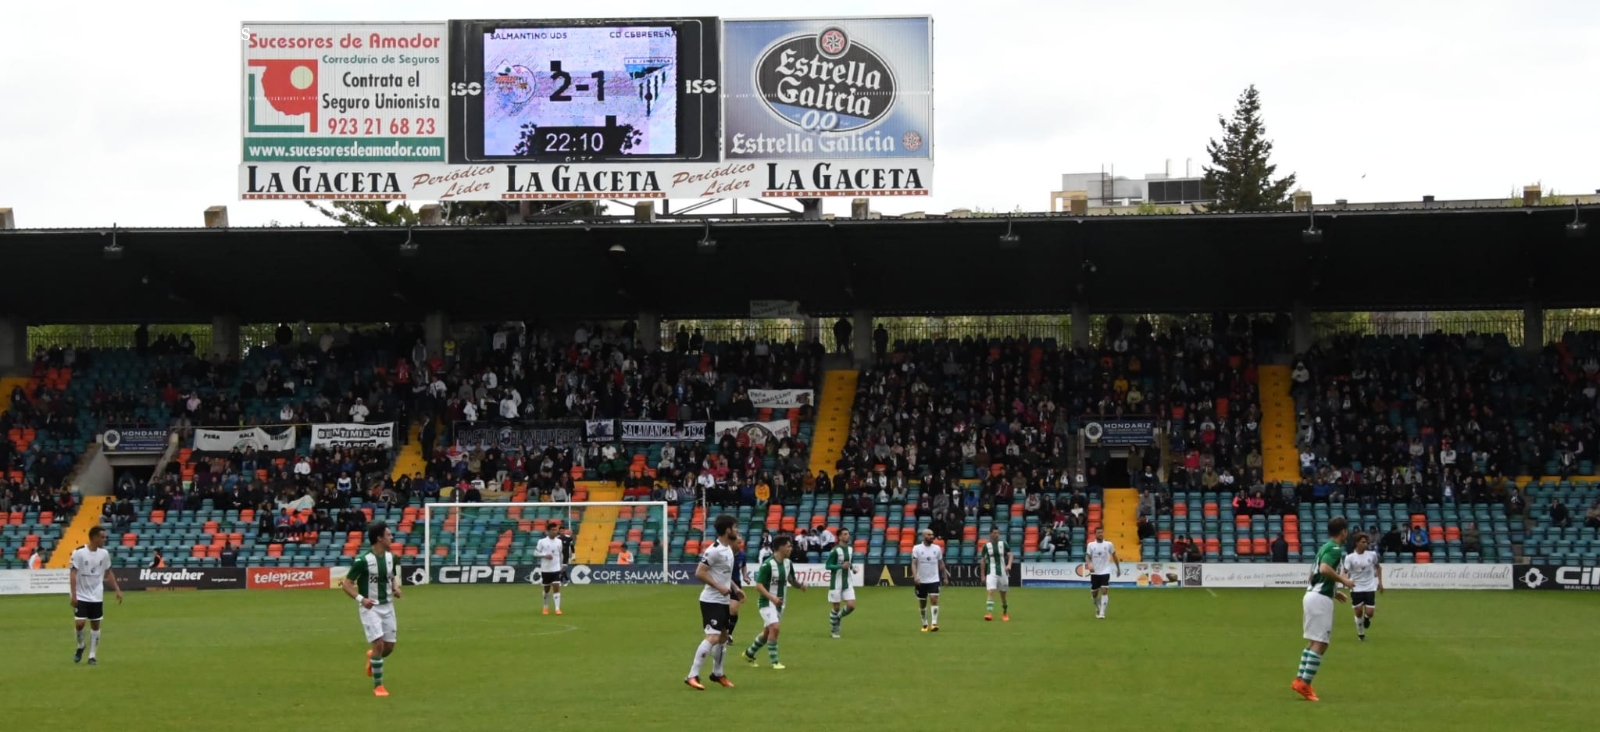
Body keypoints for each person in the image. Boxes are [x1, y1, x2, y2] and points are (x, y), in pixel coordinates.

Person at [1293, 517, 1355, 702]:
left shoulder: (1324, 547)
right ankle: (1305, 684)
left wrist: (1334, 591)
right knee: (1321, 643)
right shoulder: (1335, 549)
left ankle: (1299, 680)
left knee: (1314, 642)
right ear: (1343, 531)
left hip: (1312, 595)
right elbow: (1325, 568)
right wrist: (1344, 582)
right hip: (1319, 600)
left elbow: (1313, 575)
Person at [342, 521, 402, 697]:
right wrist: (362, 599)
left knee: (389, 647)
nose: (391, 537)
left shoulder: (392, 558)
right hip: (371, 608)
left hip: (388, 606)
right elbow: (346, 584)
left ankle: (373, 657)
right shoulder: (363, 561)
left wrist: (396, 588)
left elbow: (391, 577)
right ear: (379, 538)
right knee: (378, 643)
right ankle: (379, 686)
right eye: (388, 534)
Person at [685, 514, 739, 691]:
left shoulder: (728, 549)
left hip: (723, 600)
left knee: (723, 638)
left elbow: (723, 574)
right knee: (713, 637)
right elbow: (700, 572)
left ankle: (717, 673)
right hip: (711, 600)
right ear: (727, 530)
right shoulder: (713, 550)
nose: (737, 531)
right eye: (735, 527)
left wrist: (734, 587)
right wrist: (718, 587)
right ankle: (692, 675)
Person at [743, 535, 805, 669]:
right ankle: (775, 662)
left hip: (780, 604)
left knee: (767, 633)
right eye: (789, 546)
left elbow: (791, 580)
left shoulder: (788, 563)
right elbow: (758, 586)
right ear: (781, 547)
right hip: (766, 603)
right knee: (775, 628)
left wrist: (800, 586)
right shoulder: (767, 565)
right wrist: (772, 598)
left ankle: (749, 653)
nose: (791, 549)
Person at [69, 526, 123, 665]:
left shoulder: (104, 553)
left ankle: (92, 656)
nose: (104, 539)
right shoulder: (79, 552)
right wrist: (73, 595)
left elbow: (108, 572)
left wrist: (117, 589)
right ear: (94, 537)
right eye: (102, 537)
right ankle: (80, 645)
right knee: (80, 623)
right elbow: (73, 574)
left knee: (95, 624)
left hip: (96, 595)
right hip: (81, 594)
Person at [1342, 532, 1383, 642]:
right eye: (1363, 542)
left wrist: (1380, 582)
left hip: (1369, 587)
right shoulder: (1350, 557)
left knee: (1369, 612)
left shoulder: (1372, 554)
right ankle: (1361, 634)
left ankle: (1367, 619)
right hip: (1356, 587)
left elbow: (1378, 567)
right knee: (1359, 611)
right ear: (1357, 543)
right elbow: (1344, 572)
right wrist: (1346, 581)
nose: (1366, 544)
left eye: (1366, 542)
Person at [911, 529, 948, 632]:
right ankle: (924, 623)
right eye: (929, 534)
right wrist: (915, 576)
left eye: (932, 534)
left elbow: (941, 563)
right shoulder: (917, 548)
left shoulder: (937, 548)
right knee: (922, 603)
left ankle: (934, 623)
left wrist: (945, 576)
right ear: (923, 536)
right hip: (921, 580)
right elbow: (914, 563)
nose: (932, 536)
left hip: (934, 579)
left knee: (934, 599)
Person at [824, 528, 856, 638]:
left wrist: (852, 568)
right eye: (845, 534)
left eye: (848, 534)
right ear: (840, 537)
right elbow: (827, 566)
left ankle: (838, 617)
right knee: (836, 607)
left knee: (851, 606)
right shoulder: (835, 551)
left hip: (848, 582)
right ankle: (834, 630)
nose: (848, 536)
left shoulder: (851, 549)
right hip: (836, 583)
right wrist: (840, 567)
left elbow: (849, 562)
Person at [1086, 526, 1121, 620]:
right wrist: (1089, 564)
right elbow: (1088, 556)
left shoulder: (1109, 544)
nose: (1100, 534)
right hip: (1095, 572)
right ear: (1095, 534)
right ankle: (1097, 607)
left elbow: (1114, 556)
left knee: (1104, 590)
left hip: (1105, 571)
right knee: (1094, 594)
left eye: (1101, 532)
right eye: (1098, 532)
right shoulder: (1091, 545)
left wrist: (1118, 568)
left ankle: (1102, 612)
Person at [980, 527, 1012, 622]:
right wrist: (982, 575)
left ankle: (1005, 613)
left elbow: (1010, 554)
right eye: (994, 533)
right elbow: (983, 560)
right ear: (991, 533)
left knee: (1003, 594)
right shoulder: (986, 546)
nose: (996, 535)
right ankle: (989, 613)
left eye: (998, 533)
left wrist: (1009, 564)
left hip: (1003, 572)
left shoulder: (1003, 543)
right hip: (991, 572)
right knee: (991, 591)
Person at [535, 522, 565, 616]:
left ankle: (557, 609)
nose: (555, 532)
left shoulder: (559, 541)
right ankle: (545, 607)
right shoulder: (542, 541)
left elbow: (560, 554)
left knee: (556, 587)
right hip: (546, 569)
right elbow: (535, 553)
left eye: (556, 530)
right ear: (548, 531)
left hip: (556, 568)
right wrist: (544, 555)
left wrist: (563, 565)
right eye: (553, 530)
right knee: (547, 589)